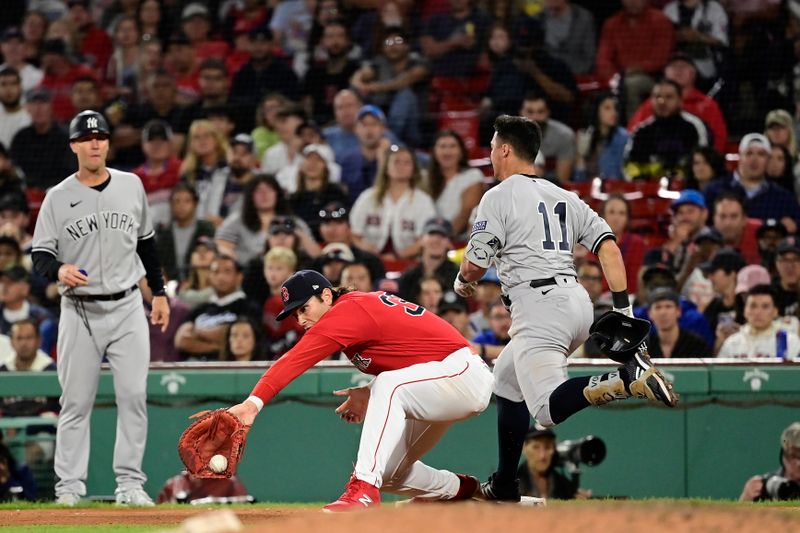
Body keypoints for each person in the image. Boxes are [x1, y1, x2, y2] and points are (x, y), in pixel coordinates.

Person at [454, 114, 677, 501]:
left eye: (492, 146)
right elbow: (608, 246)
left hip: (539, 306)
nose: (490, 153)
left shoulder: (498, 195)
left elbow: (475, 264)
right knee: (506, 381)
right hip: (576, 302)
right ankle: (505, 483)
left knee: (545, 411)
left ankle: (626, 380)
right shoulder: (565, 196)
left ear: (505, 149)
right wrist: (623, 311)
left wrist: (462, 280)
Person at [227, 269, 494, 511]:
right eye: (295, 313)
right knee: (390, 472)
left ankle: (363, 489)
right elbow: (414, 355)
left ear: (327, 296)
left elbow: (295, 359)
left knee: (389, 387)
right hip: (442, 379)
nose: (300, 319)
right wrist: (370, 389)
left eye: (304, 308)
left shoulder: (347, 310)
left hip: (464, 373)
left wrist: (252, 404)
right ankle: (460, 489)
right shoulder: (353, 310)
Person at [30, 110, 170, 507]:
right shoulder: (57, 197)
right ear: (73, 145)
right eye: (86, 137)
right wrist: (59, 268)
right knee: (75, 402)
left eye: (101, 136)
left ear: (108, 143)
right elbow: (39, 254)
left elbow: (147, 243)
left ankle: (129, 484)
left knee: (133, 396)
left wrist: (158, 292)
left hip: (127, 305)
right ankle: (69, 488)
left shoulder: (131, 185)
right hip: (80, 311)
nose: (95, 143)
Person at [717, 285, 800, 359]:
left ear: (775, 312)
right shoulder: (732, 343)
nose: (758, 312)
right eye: (753, 306)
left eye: (765, 307)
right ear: (745, 311)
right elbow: (720, 374)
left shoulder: (789, 341)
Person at [517, 426, 586, 500]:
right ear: (524, 448)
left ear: (554, 450)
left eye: (547, 447)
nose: (542, 456)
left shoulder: (565, 486)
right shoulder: (513, 485)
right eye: (536, 447)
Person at [740, 422, 800, 501]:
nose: (799, 463)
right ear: (783, 456)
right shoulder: (766, 486)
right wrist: (746, 498)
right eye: (793, 456)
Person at [646, 287, 710, 358]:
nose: (663, 312)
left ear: (678, 311)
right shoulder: (643, 348)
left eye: (668, 306)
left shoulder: (697, 345)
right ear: (650, 313)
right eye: (658, 307)